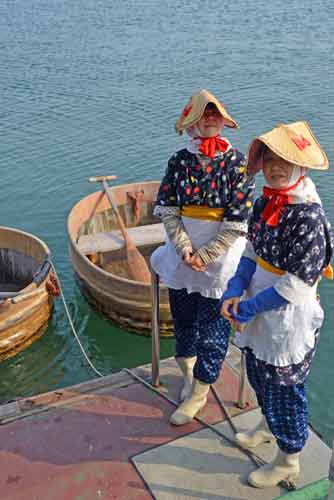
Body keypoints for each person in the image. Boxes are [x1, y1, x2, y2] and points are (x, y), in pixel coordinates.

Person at [221, 121, 334, 488]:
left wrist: (251, 307)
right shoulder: (264, 201)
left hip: (287, 316)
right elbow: (251, 250)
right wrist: (235, 286)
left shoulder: (309, 217)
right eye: (269, 157)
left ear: (301, 164)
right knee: (257, 373)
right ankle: (267, 423)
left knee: (285, 388)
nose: (275, 165)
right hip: (257, 302)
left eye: (285, 158)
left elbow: (298, 284)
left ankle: (289, 458)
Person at [150, 89, 255, 425]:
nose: (210, 118)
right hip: (182, 255)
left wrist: (207, 254)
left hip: (221, 258)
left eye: (215, 113)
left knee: (213, 331)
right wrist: (184, 248)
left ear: (223, 119)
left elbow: (238, 220)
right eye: (203, 113)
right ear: (192, 120)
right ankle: (189, 373)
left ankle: (199, 392)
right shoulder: (178, 160)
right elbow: (169, 210)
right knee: (182, 323)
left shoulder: (239, 163)